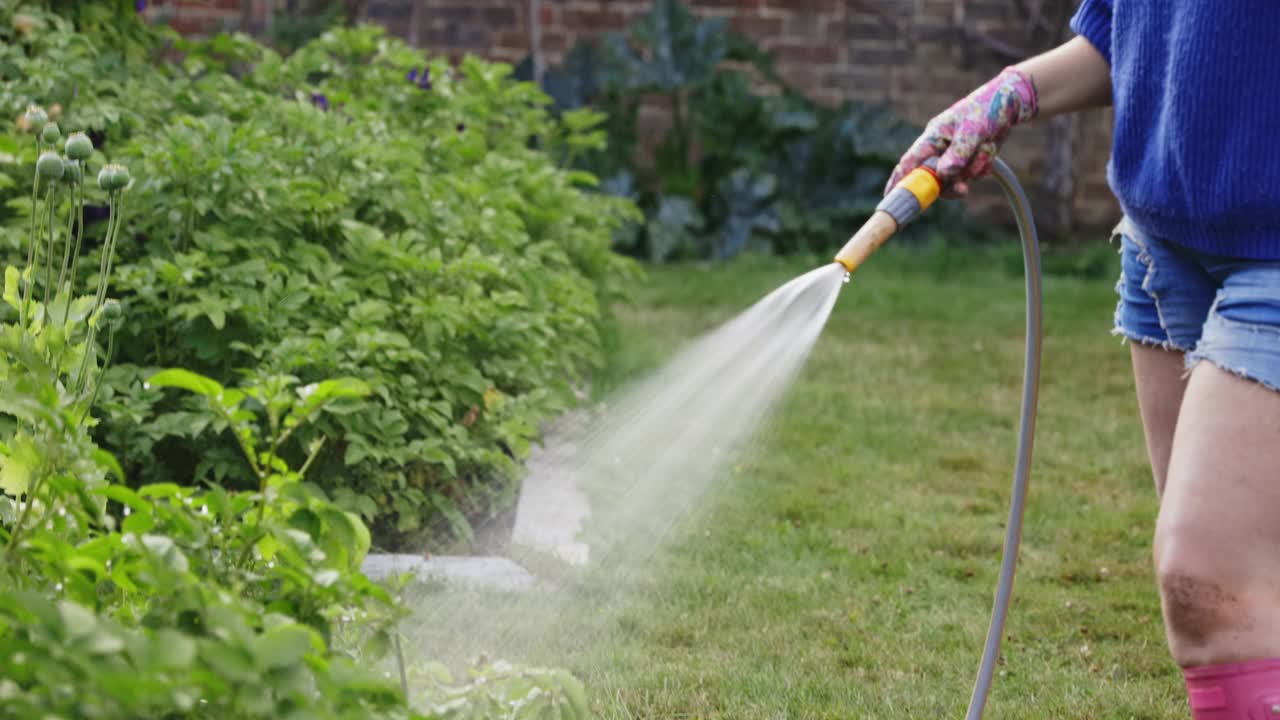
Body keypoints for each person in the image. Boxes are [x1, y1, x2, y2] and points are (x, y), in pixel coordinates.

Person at [885, 2, 1280, 717]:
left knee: (1208, 585)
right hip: (1166, 249)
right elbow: (1126, 36)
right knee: (1251, 591)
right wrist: (1004, 96)